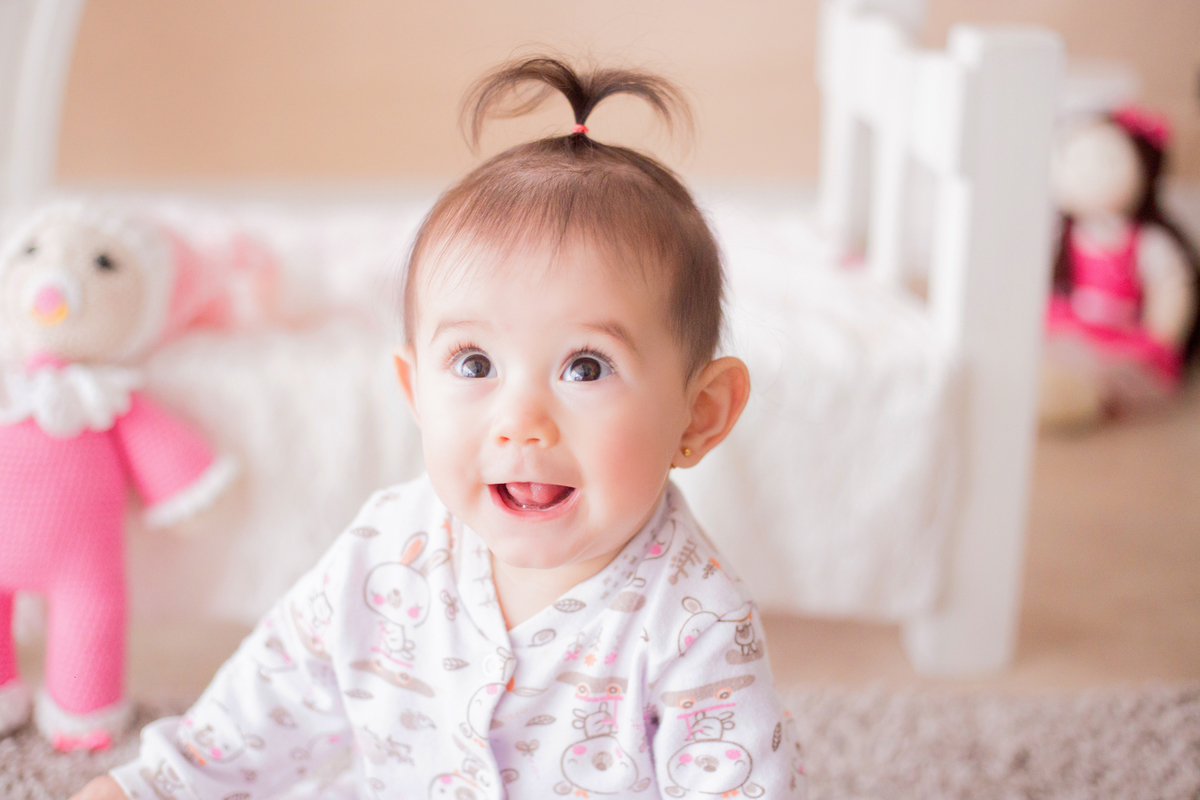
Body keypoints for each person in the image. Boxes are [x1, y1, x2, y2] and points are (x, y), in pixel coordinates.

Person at [74, 56, 807, 800]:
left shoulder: (696, 623)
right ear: (413, 390)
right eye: (474, 362)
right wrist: (156, 785)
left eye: (586, 367)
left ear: (701, 414)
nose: (521, 421)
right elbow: (273, 695)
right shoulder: (389, 548)